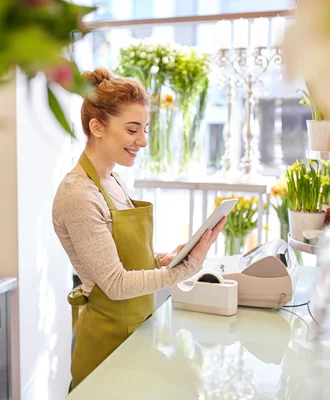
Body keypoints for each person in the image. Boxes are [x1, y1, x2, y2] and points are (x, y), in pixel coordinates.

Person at [52, 68, 226, 391]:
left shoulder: (113, 179)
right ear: (96, 127)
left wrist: (163, 259)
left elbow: (122, 256)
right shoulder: (79, 195)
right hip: (106, 345)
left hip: (136, 333)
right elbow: (115, 283)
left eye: (144, 129)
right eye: (133, 129)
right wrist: (185, 270)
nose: (143, 141)